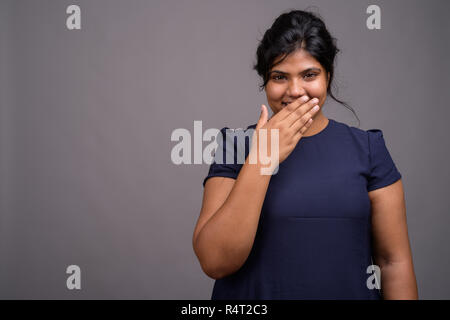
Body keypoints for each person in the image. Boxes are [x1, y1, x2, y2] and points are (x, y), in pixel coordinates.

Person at [192, 9, 418, 300]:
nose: (295, 90)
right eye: (279, 76)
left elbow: (393, 263)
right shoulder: (236, 146)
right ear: (265, 81)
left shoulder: (368, 150)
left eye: (309, 74)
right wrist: (263, 157)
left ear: (328, 75)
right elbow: (215, 261)